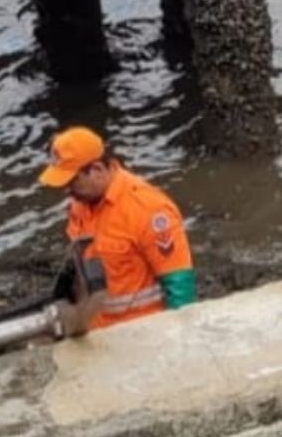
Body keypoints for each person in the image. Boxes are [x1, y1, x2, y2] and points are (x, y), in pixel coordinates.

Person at [38, 126, 195, 328]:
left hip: (142, 331)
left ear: (97, 170)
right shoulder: (81, 204)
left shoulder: (149, 209)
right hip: (97, 328)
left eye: (72, 182)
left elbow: (180, 287)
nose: (67, 191)